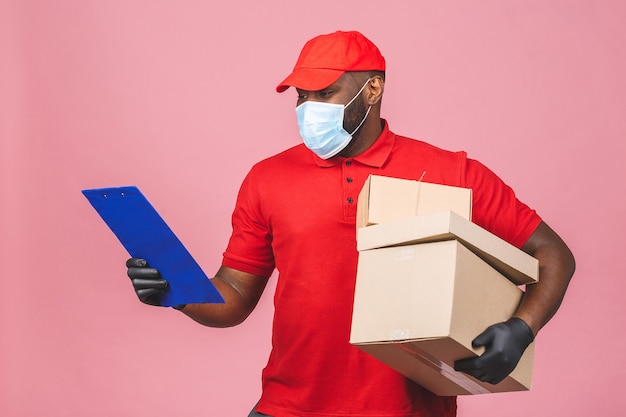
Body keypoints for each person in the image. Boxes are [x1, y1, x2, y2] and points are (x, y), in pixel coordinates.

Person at [126, 31, 575, 417]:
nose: (308, 108)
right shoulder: (266, 178)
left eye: (325, 94)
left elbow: (554, 255)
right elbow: (236, 296)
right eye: (302, 96)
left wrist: (521, 329)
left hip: (408, 411)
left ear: (373, 89)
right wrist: (177, 292)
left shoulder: (452, 172)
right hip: (288, 407)